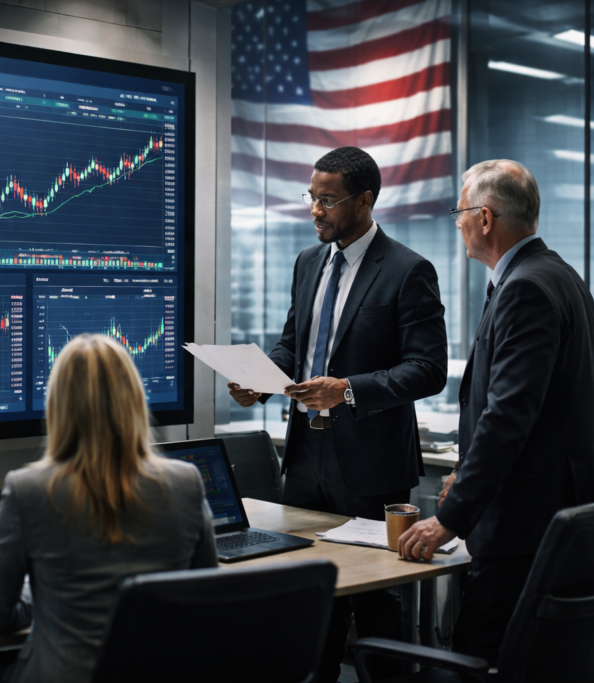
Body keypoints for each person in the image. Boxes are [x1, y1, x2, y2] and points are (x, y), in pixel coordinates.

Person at [228, 146, 448, 682]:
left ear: (364, 200)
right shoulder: (308, 262)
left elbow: (427, 370)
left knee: (377, 608)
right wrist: (261, 381)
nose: (315, 210)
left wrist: (347, 390)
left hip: (371, 466)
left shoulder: (408, 270)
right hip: (306, 456)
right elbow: (294, 345)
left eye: (327, 200)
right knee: (307, 598)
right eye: (312, 197)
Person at [398, 160, 594, 664]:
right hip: (563, 518)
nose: (457, 223)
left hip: (527, 528)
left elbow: (507, 418)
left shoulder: (525, 288)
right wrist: (464, 474)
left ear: (485, 218)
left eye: (460, 212)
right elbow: (543, 411)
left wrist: (449, 519)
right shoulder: (561, 276)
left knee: (478, 656)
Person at [0, 334, 218, 683]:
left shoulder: (29, 489)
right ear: (135, 400)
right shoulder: (186, 482)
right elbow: (204, 598)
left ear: (58, 405)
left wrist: (44, 599)